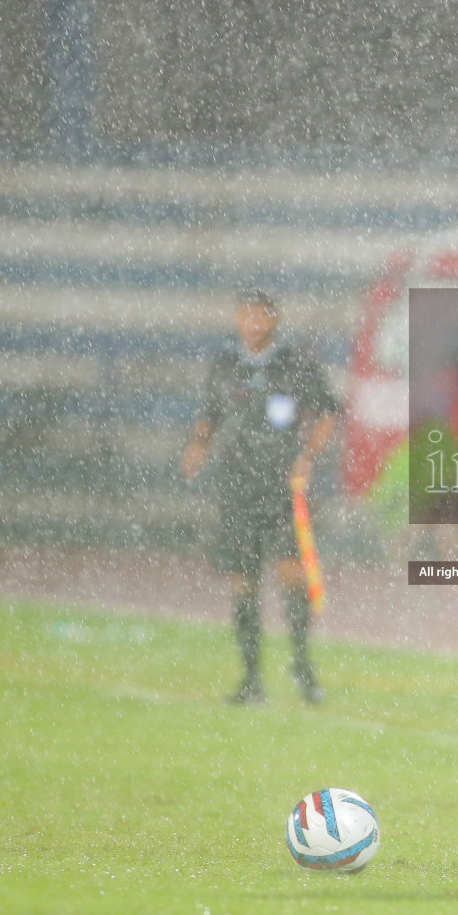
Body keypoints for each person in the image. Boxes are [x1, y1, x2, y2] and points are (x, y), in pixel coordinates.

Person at [182, 289, 340, 705]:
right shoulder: (224, 366)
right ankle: (252, 678)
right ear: (237, 320)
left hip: (280, 486)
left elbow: (327, 414)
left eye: (259, 316)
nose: (251, 323)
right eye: (245, 316)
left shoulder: (296, 365)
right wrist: (199, 445)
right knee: (243, 581)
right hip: (236, 486)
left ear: (274, 320)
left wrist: (308, 456)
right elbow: (209, 415)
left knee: (291, 575)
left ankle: (303, 667)